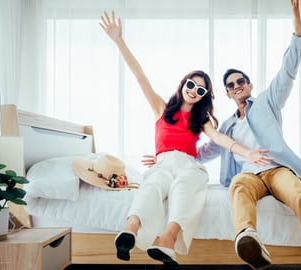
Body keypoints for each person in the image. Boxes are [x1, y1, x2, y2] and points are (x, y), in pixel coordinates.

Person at [99, 11, 273, 266]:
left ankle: (167, 242)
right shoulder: (161, 108)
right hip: (163, 163)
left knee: (185, 188)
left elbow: (220, 138)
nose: (194, 91)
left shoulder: (200, 120)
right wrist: (119, 41)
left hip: (188, 165)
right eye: (191, 85)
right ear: (183, 85)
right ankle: (130, 229)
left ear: (203, 96)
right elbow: (140, 76)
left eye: (200, 90)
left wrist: (247, 153)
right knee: (152, 186)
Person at [195, 1, 301, 269]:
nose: (236, 86)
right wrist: (170, 150)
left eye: (240, 82)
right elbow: (202, 153)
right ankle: (247, 237)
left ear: (249, 85)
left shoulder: (267, 101)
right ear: (227, 93)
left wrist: (297, 27)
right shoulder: (227, 128)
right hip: (249, 176)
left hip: (277, 170)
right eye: (230, 85)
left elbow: (288, 71)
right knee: (238, 185)